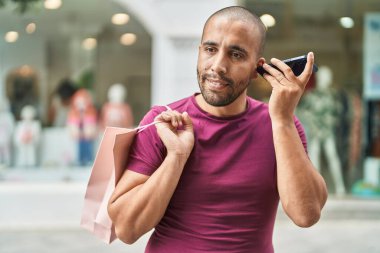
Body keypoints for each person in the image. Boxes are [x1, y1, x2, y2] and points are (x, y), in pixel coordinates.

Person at [108, 6, 328, 253]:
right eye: (211, 50)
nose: (218, 66)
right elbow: (127, 229)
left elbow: (306, 214)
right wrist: (176, 157)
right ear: (199, 52)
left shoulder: (281, 125)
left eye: (236, 55)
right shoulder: (163, 123)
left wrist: (283, 120)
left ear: (258, 68)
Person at [298, 66, 346, 195]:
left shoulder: (333, 95)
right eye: (325, 77)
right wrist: (312, 122)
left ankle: (340, 187)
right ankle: (316, 188)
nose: (326, 80)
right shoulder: (311, 95)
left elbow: (338, 112)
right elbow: (302, 111)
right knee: (314, 158)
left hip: (327, 131)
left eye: (328, 77)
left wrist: (331, 120)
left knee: (332, 157)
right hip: (315, 131)